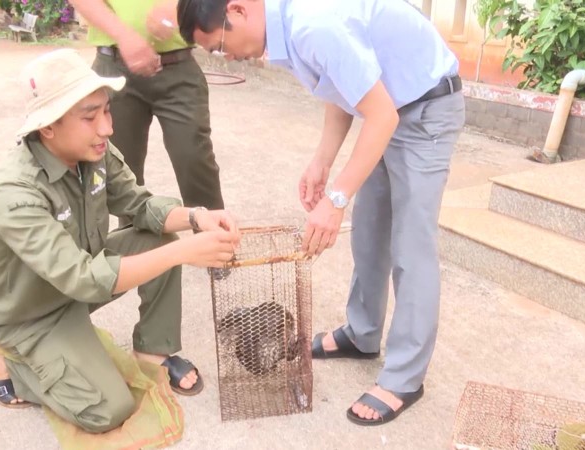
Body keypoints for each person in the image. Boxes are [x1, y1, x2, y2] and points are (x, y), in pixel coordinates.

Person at [177, 0, 465, 426]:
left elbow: (379, 114)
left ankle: (405, 377)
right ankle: (362, 334)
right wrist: (322, 162)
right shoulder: (287, 30)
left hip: (424, 110)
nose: (227, 56)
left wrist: (335, 200)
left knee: (411, 244)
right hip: (388, 107)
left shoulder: (311, 25)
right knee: (368, 231)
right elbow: (345, 89)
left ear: (236, 11)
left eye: (220, 45)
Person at [0, 48, 240, 432]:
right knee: (107, 411)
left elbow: (139, 205)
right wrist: (187, 250)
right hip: (29, 316)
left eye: (107, 110)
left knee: (161, 237)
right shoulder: (14, 193)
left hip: (77, 289)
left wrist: (198, 217)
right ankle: (7, 362)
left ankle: (152, 352)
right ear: (48, 126)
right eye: (90, 117)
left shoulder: (93, 151)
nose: (106, 128)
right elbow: (81, 277)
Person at [68, 0, 224, 222]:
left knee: (195, 162)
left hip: (179, 65)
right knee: (121, 172)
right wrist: (123, 35)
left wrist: (178, 6)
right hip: (114, 65)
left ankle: (216, 246)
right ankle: (135, 246)